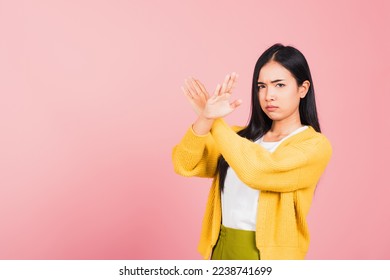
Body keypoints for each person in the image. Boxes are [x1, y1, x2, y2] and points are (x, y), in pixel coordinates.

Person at [172, 43, 332, 260]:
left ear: (302, 89)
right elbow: (185, 164)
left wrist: (215, 121)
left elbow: (257, 171)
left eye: (279, 85)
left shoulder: (314, 146)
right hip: (220, 249)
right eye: (261, 86)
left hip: (267, 258)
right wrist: (205, 118)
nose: (268, 95)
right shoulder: (238, 138)